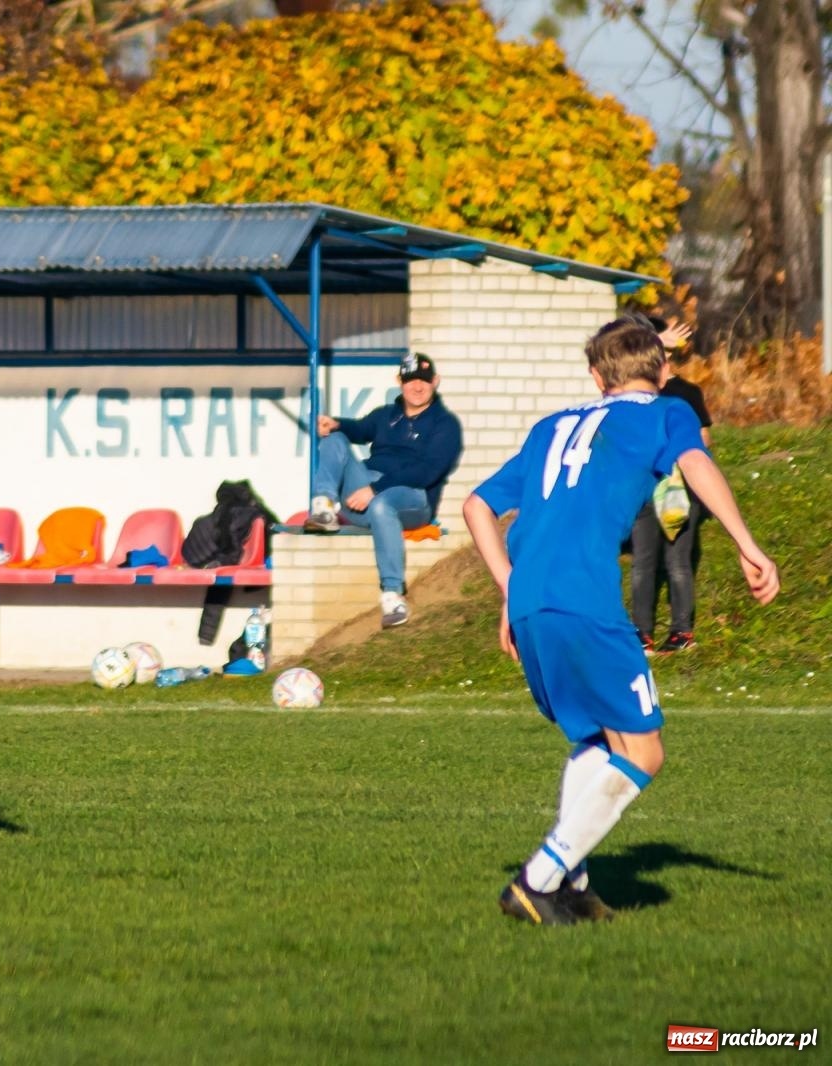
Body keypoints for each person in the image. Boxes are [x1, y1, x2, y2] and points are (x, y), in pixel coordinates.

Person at [463, 319, 778, 926]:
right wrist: (747, 544)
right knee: (644, 751)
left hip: (531, 598)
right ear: (663, 373)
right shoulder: (665, 414)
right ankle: (540, 878)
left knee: (598, 740)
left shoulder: (550, 426)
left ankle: (571, 887)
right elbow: (698, 465)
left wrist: (509, 586)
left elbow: (477, 505)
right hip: (584, 597)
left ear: (594, 377)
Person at [302, 353, 464, 628]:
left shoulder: (445, 425)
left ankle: (392, 595)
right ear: (399, 381)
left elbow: (428, 472)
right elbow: (360, 429)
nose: (417, 386)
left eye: (423, 381)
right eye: (411, 380)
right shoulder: (386, 415)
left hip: (413, 498)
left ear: (435, 382)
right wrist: (337, 424)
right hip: (366, 493)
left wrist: (375, 489)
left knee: (381, 505)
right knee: (336, 438)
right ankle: (324, 508)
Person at [627, 318, 712, 654]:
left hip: (679, 490)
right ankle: (641, 633)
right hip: (643, 490)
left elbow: (703, 440)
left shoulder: (686, 393)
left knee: (677, 562)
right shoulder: (635, 395)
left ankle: (681, 633)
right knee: (643, 563)